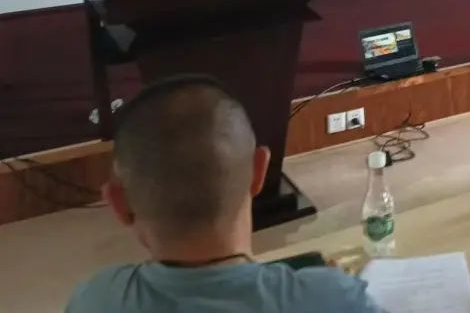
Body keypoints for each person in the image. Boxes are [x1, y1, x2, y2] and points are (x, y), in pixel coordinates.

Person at [66, 75, 377, 313]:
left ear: (118, 203)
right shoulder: (331, 298)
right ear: (259, 172)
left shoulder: (95, 300)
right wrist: (330, 291)